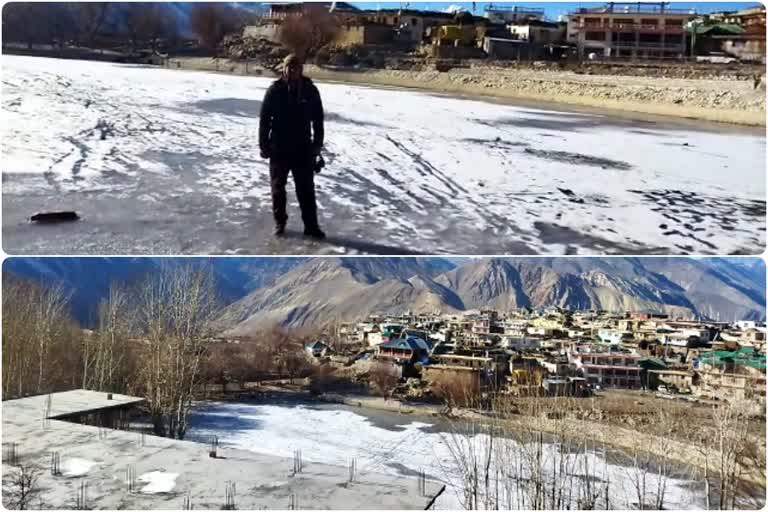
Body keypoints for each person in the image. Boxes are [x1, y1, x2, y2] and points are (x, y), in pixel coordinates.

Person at [259, 53, 326, 239]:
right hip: (279, 149)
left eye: (296, 67)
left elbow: (318, 121)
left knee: (306, 190)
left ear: (301, 69)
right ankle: (280, 223)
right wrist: (264, 145)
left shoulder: (310, 90)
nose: (292, 70)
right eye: (289, 67)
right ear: (284, 69)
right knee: (278, 189)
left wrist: (317, 145)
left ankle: (311, 226)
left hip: (303, 149)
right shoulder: (275, 90)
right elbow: (265, 120)